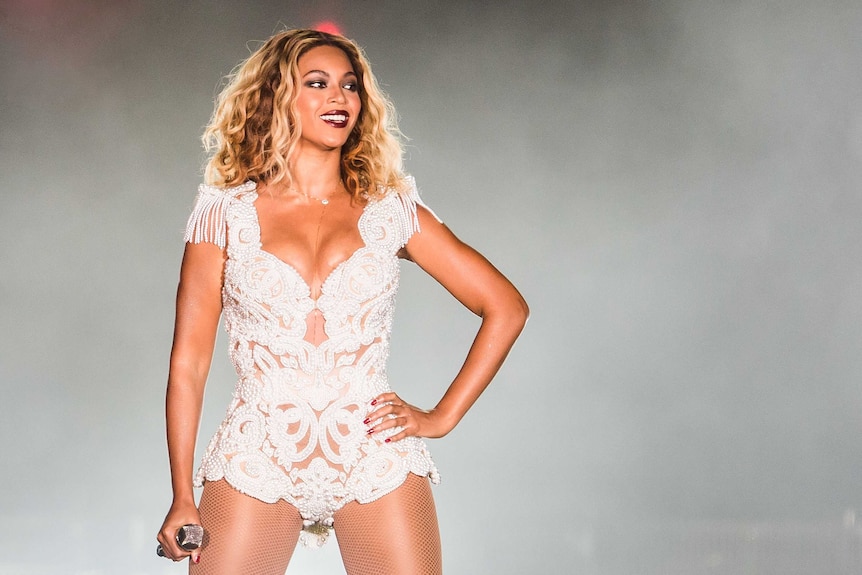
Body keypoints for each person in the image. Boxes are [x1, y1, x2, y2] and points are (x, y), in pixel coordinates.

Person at [156, 28, 528, 575]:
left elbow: (506, 305)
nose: (340, 98)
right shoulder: (222, 214)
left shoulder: (390, 210)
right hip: (259, 455)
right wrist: (181, 494)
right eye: (318, 83)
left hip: (373, 456)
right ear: (278, 97)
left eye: (350, 86)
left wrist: (441, 418)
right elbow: (188, 365)